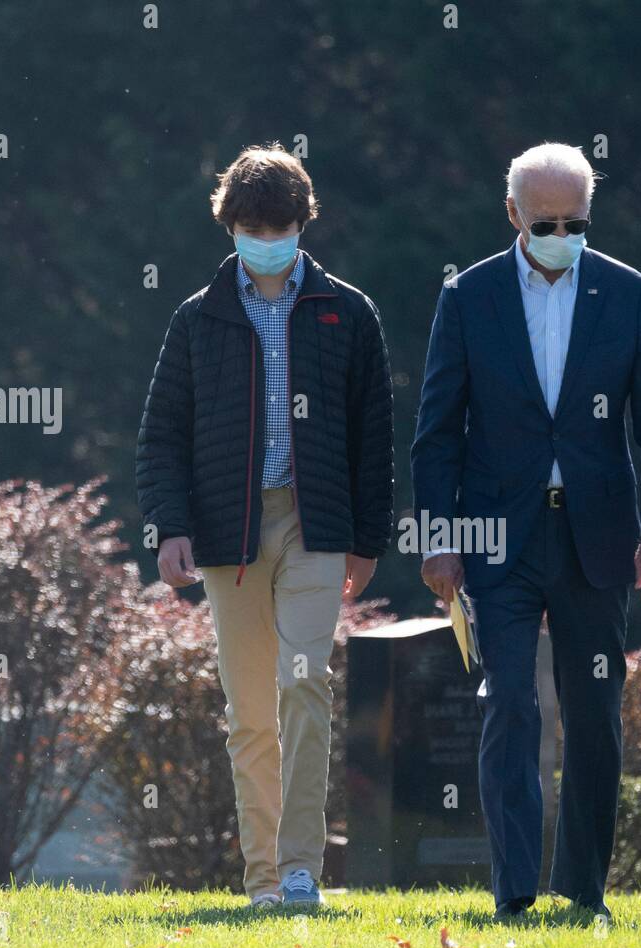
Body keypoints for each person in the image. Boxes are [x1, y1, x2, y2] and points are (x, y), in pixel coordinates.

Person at [411, 143, 641, 921]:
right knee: (508, 704)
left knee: (594, 709)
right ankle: (513, 891)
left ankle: (586, 888)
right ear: (513, 216)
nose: (562, 233)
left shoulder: (628, 294)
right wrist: (440, 537)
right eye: (546, 221)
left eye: (576, 221)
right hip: (498, 536)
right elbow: (437, 431)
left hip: (598, 539)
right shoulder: (468, 297)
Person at [136, 144, 394, 909]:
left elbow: (374, 433)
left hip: (316, 528)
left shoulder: (348, 312)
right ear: (231, 227)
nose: (266, 238)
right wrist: (168, 527)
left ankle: (299, 871)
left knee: (304, 688)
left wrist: (368, 539)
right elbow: (162, 435)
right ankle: (260, 881)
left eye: (279, 225)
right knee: (250, 711)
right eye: (252, 225)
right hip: (229, 533)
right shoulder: (197, 319)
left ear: (302, 223)